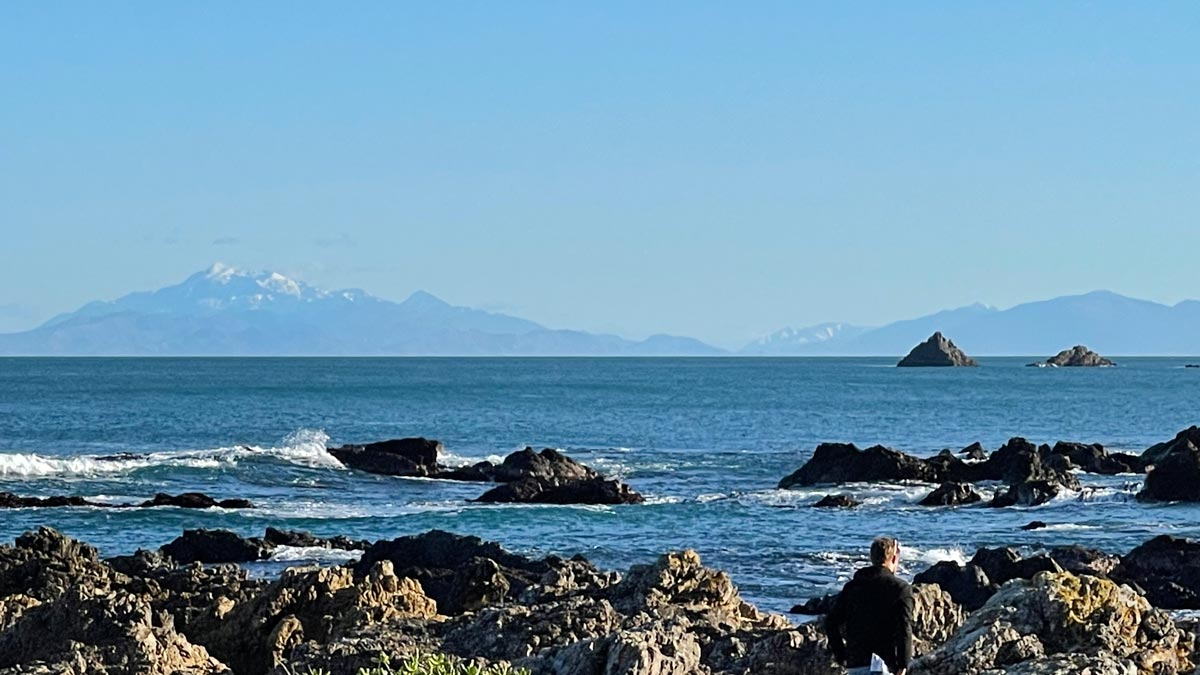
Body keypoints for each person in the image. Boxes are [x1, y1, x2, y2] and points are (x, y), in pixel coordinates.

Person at [825, 536, 914, 675]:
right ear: (894, 559)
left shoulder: (852, 587)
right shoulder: (900, 589)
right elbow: (904, 629)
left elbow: (831, 622)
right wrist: (903, 665)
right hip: (883, 665)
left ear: (872, 558)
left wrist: (841, 655)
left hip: (856, 664)